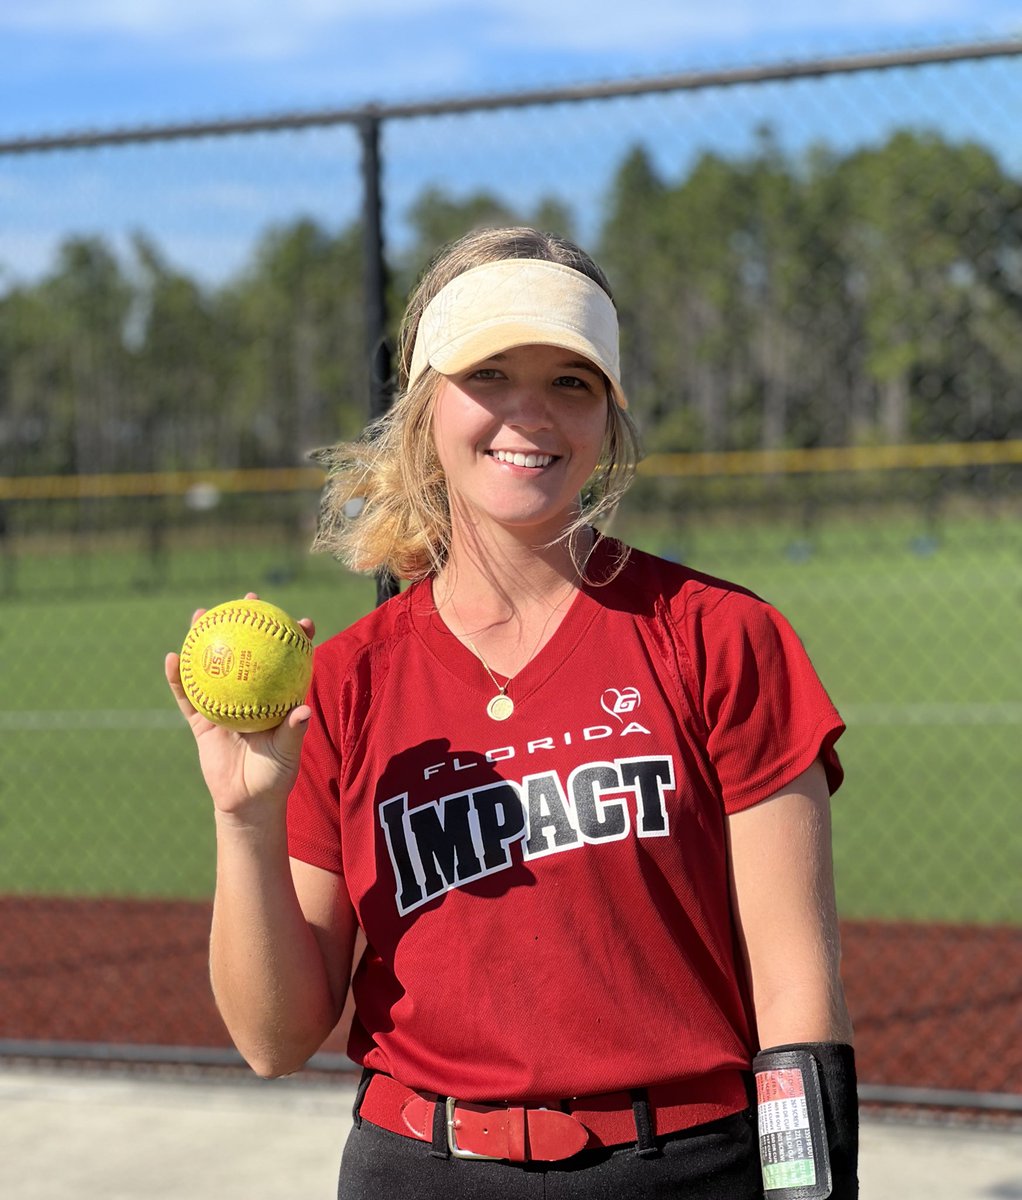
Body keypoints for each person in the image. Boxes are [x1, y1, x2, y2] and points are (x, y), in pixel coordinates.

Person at [167, 226, 858, 1199]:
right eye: (488, 372)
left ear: (608, 419)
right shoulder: (348, 681)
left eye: (570, 382)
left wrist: (806, 1192)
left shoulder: (718, 637)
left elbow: (795, 993)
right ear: (423, 410)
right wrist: (243, 820)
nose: (527, 414)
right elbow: (276, 1040)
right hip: (417, 1167)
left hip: (683, 1169)